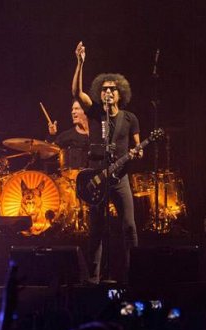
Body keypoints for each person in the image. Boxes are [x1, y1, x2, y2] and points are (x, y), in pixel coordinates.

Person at [71, 41, 142, 284]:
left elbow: (137, 144)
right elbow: (76, 94)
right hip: (97, 178)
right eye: (104, 89)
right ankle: (93, 280)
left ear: (120, 93)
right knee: (97, 231)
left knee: (129, 227)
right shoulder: (95, 113)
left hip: (120, 178)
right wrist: (80, 64)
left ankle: (133, 275)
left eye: (112, 89)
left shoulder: (129, 118)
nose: (108, 92)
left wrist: (137, 152)